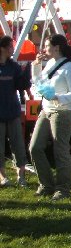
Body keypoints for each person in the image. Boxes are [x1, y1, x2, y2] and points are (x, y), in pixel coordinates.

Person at [29, 34, 71, 200]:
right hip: (46, 109)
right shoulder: (50, 63)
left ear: (57, 47)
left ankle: (63, 189)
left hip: (62, 111)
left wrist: (58, 98)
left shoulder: (70, 67)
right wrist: (36, 65)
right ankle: (46, 184)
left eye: (47, 46)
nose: (44, 49)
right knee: (35, 147)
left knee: (60, 150)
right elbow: (39, 83)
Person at [0, 36, 31, 187]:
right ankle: (3, 177)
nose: (13, 49)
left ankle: (21, 176)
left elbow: (21, 85)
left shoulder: (14, 66)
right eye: (10, 46)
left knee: (18, 145)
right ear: (3, 48)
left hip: (12, 112)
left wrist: (29, 70)